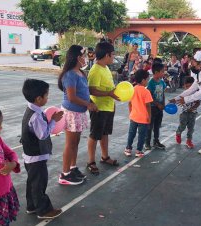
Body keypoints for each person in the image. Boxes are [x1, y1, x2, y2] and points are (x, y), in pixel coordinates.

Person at [21, 79, 64, 219]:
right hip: (36, 156)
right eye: (46, 95)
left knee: (32, 182)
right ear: (39, 99)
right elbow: (43, 134)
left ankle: (32, 206)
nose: (47, 98)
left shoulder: (31, 110)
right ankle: (43, 210)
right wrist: (53, 121)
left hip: (30, 156)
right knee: (39, 184)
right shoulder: (36, 116)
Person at [58, 45, 98, 185]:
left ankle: (72, 167)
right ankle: (64, 174)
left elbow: (84, 92)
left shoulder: (81, 73)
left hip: (80, 112)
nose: (86, 58)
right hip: (71, 112)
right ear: (77, 57)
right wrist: (88, 105)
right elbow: (71, 97)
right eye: (84, 55)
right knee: (70, 143)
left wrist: (90, 101)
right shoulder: (69, 74)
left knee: (75, 142)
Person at [87, 41, 120, 175]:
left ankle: (105, 157)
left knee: (105, 133)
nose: (113, 57)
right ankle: (91, 161)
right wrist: (109, 93)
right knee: (95, 135)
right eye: (112, 54)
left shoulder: (105, 67)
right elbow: (91, 90)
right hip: (98, 108)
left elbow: (109, 88)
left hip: (108, 106)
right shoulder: (95, 70)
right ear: (106, 55)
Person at [124, 69, 153, 157]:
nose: (148, 81)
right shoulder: (146, 91)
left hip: (134, 116)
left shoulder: (132, 89)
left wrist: (131, 112)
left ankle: (128, 149)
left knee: (131, 133)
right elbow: (148, 105)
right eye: (147, 79)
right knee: (142, 135)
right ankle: (138, 150)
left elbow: (129, 103)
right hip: (143, 118)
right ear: (143, 80)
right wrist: (149, 116)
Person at [171, 76, 200, 149]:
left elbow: (198, 103)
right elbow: (178, 99)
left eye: (189, 86)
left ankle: (189, 140)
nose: (188, 88)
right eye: (186, 86)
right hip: (184, 113)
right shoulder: (184, 94)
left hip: (193, 113)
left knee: (191, 128)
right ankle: (178, 133)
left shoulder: (196, 94)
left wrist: (192, 108)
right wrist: (173, 101)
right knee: (182, 126)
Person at [145, 63, 167, 150]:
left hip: (160, 108)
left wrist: (163, 103)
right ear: (156, 72)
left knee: (157, 125)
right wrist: (157, 104)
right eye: (162, 71)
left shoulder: (162, 82)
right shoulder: (151, 82)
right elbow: (149, 96)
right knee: (150, 126)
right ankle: (147, 142)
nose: (164, 73)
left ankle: (156, 141)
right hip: (153, 108)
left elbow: (163, 93)